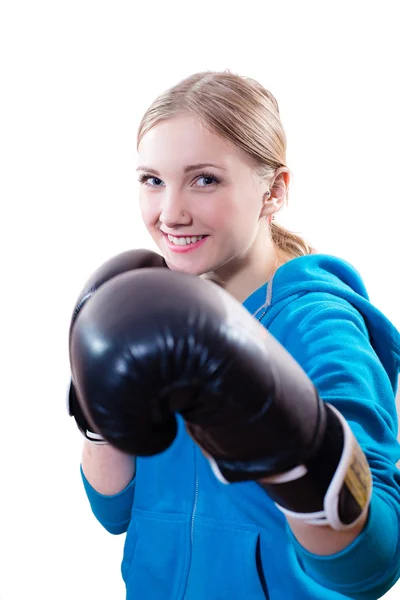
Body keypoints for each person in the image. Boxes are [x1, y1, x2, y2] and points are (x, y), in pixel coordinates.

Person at [68, 70, 400, 599]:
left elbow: (371, 564)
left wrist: (298, 452)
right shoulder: (160, 314)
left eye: (204, 179)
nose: (170, 213)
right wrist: (94, 410)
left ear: (274, 191)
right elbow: (114, 510)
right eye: (152, 180)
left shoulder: (320, 326)